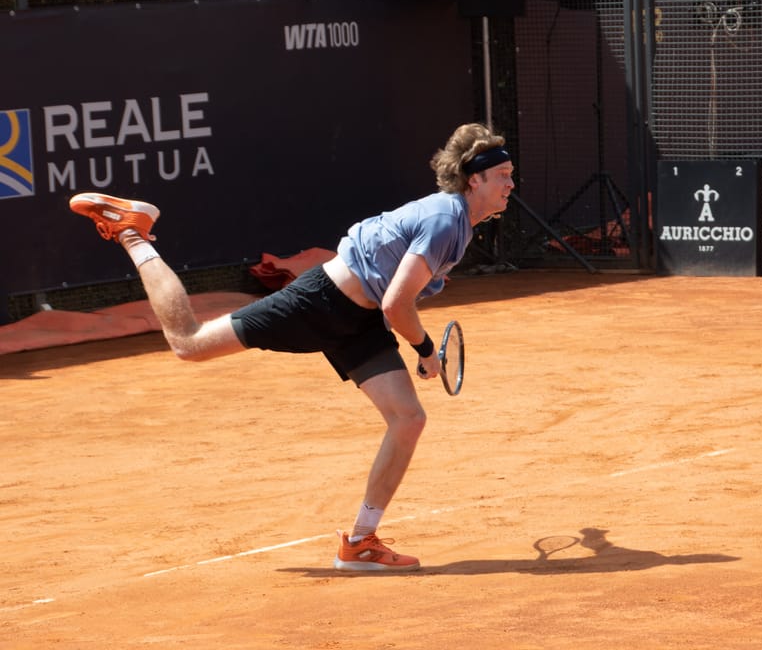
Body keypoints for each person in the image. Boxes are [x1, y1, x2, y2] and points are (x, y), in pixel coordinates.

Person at [68, 122, 514, 572]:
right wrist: (422, 349)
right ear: (474, 179)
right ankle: (132, 232)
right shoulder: (444, 220)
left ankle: (360, 541)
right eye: (503, 176)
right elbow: (397, 305)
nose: (511, 184)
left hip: (358, 319)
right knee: (189, 343)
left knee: (409, 418)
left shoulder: (457, 223)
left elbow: (393, 294)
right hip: (321, 303)